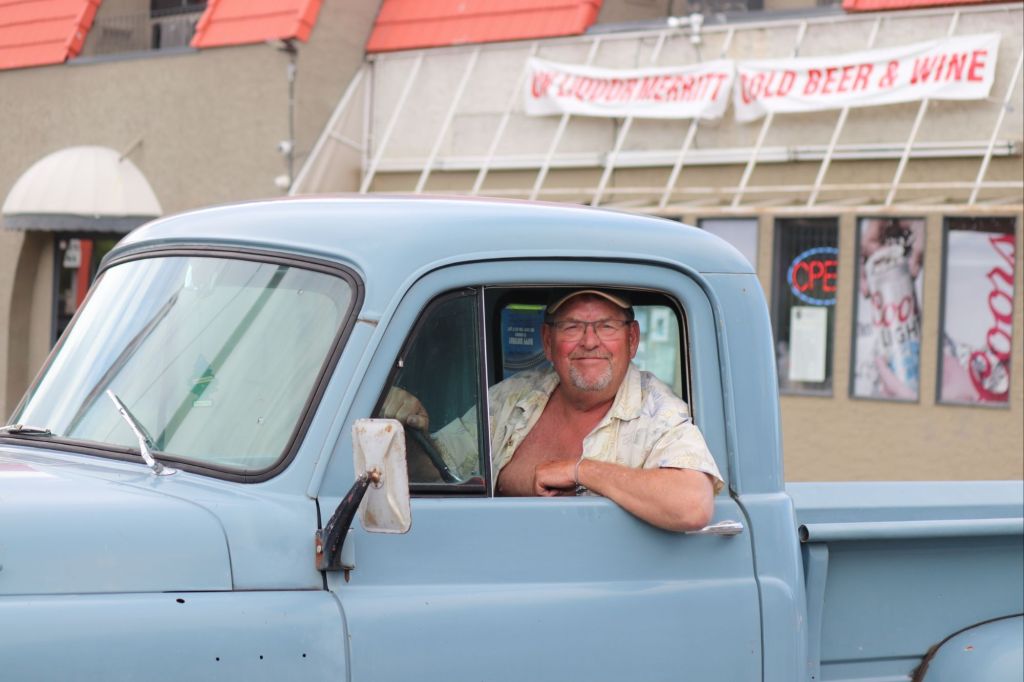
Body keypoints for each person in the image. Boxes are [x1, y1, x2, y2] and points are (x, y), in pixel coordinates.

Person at [383, 290, 723, 532]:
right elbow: (439, 472)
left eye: (606, 326)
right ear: (547, 341)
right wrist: (404, 429)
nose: (589, 341)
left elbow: (692, 505)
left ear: (632, 339)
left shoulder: (657, 409)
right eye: (572, 326)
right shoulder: (514, 396)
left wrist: (581, 471)